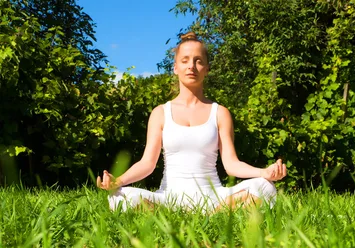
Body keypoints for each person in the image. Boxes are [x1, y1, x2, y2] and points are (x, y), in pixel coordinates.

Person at [97, 32, 287, 212]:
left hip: (214, 198)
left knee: (265, 187)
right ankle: (192, 213)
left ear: (207, 68)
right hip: (168, 198)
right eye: (185, 60)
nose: (191, 66)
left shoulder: (220, 113)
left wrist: (263, 172)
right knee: (118, 197)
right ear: (175, 67)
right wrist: (118, 181)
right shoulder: (160, 113)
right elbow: (147, 163)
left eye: (198, 61)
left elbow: (231, 164)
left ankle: (212, 213)